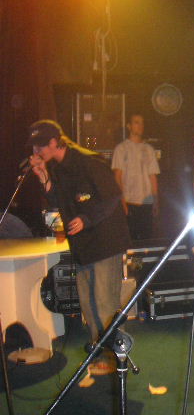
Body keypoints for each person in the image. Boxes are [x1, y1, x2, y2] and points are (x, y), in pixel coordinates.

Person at [28, 120, 130, 375]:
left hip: (105, 241)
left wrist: (86, 218)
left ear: (54, 142)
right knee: (88, 301)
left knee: (104, 301)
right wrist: (43, 177)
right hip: (83, 244)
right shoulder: (58, 168)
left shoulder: (88, 161)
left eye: (40, 146)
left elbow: (112, 195)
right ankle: (100, 350)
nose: (36, 151)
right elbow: (60, 200)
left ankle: (115, 355)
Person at [111, 113, 160, 240]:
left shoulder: (149, 149)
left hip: (146, 203)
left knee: (146, 240)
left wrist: (156, 201)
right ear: (129, 126)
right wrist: (122, 202)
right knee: (130, 240)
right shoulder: (121, 149)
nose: (140, 126)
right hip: (129, 202)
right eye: (136, 122)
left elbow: (153, 177)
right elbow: (117, 177)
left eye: (142, 123)